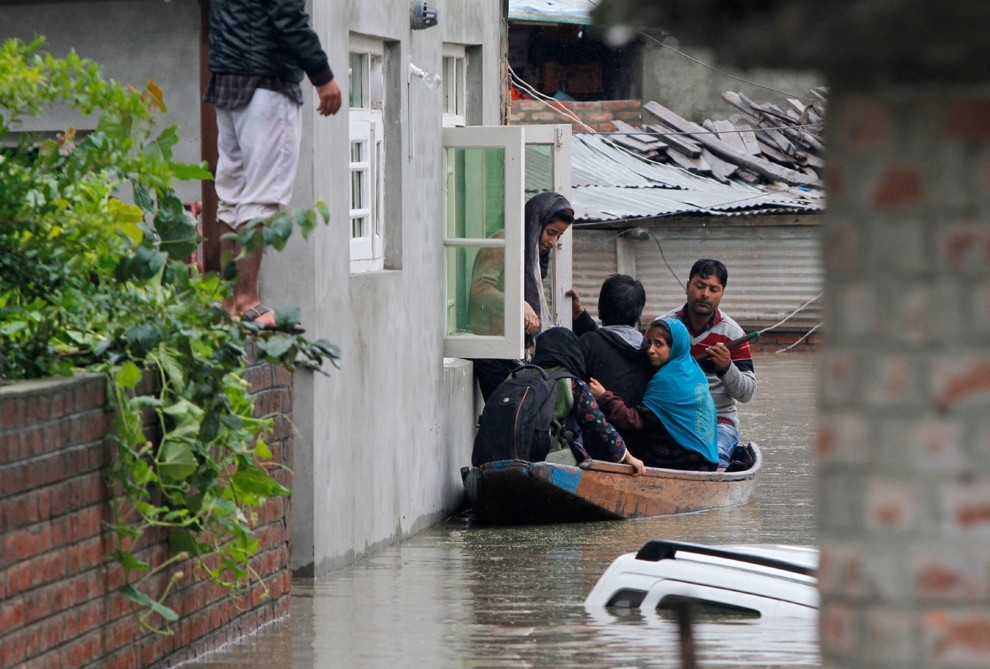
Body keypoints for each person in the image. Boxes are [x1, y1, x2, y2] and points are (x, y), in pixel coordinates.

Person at [204, 0, 342, 329]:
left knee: (232, 195)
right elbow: (286, 14)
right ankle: (248, 299)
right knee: (262, 196)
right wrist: (322, 75)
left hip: (227, 80)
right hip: (266, 83)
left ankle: (230, 302)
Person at [469, 191, 574, 400]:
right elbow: (479, 290)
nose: (553, 241)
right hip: (493, 350)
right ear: (536, 224)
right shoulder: (504, 242)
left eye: (559, 236)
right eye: (551, 232)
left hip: (514, 353)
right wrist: (517, 305)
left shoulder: (531, 255)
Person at [658, 259, 757, 470]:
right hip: (670, 417)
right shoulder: (665, 328)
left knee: (714, 460)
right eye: (700, 286)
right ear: (688, 286)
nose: (705, 294)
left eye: (714, 289)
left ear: (722, 293)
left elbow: (747, 393)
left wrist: (726, 368)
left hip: (718, 422)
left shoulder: (732, 334)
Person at [590, 318, 718, 471]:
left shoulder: (667, 380)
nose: (650, 350)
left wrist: (604, 397)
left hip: (684, 460)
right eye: (649, 343)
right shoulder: (693, 370)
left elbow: (634, 421)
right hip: (707, 457)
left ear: (675, 347)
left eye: (659, 344)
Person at [527, 328, 645, 473]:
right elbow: (599, 424)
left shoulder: (518, 375)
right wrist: (626, 456)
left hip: (514, 454)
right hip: (553, 463)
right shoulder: (571, 383)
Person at [567, 275, 655, 457]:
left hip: (596, 451)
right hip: (643, 453)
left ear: (600, 311)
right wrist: (581, 318)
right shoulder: (652, 352)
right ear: (638, 314)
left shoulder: (587, 345)